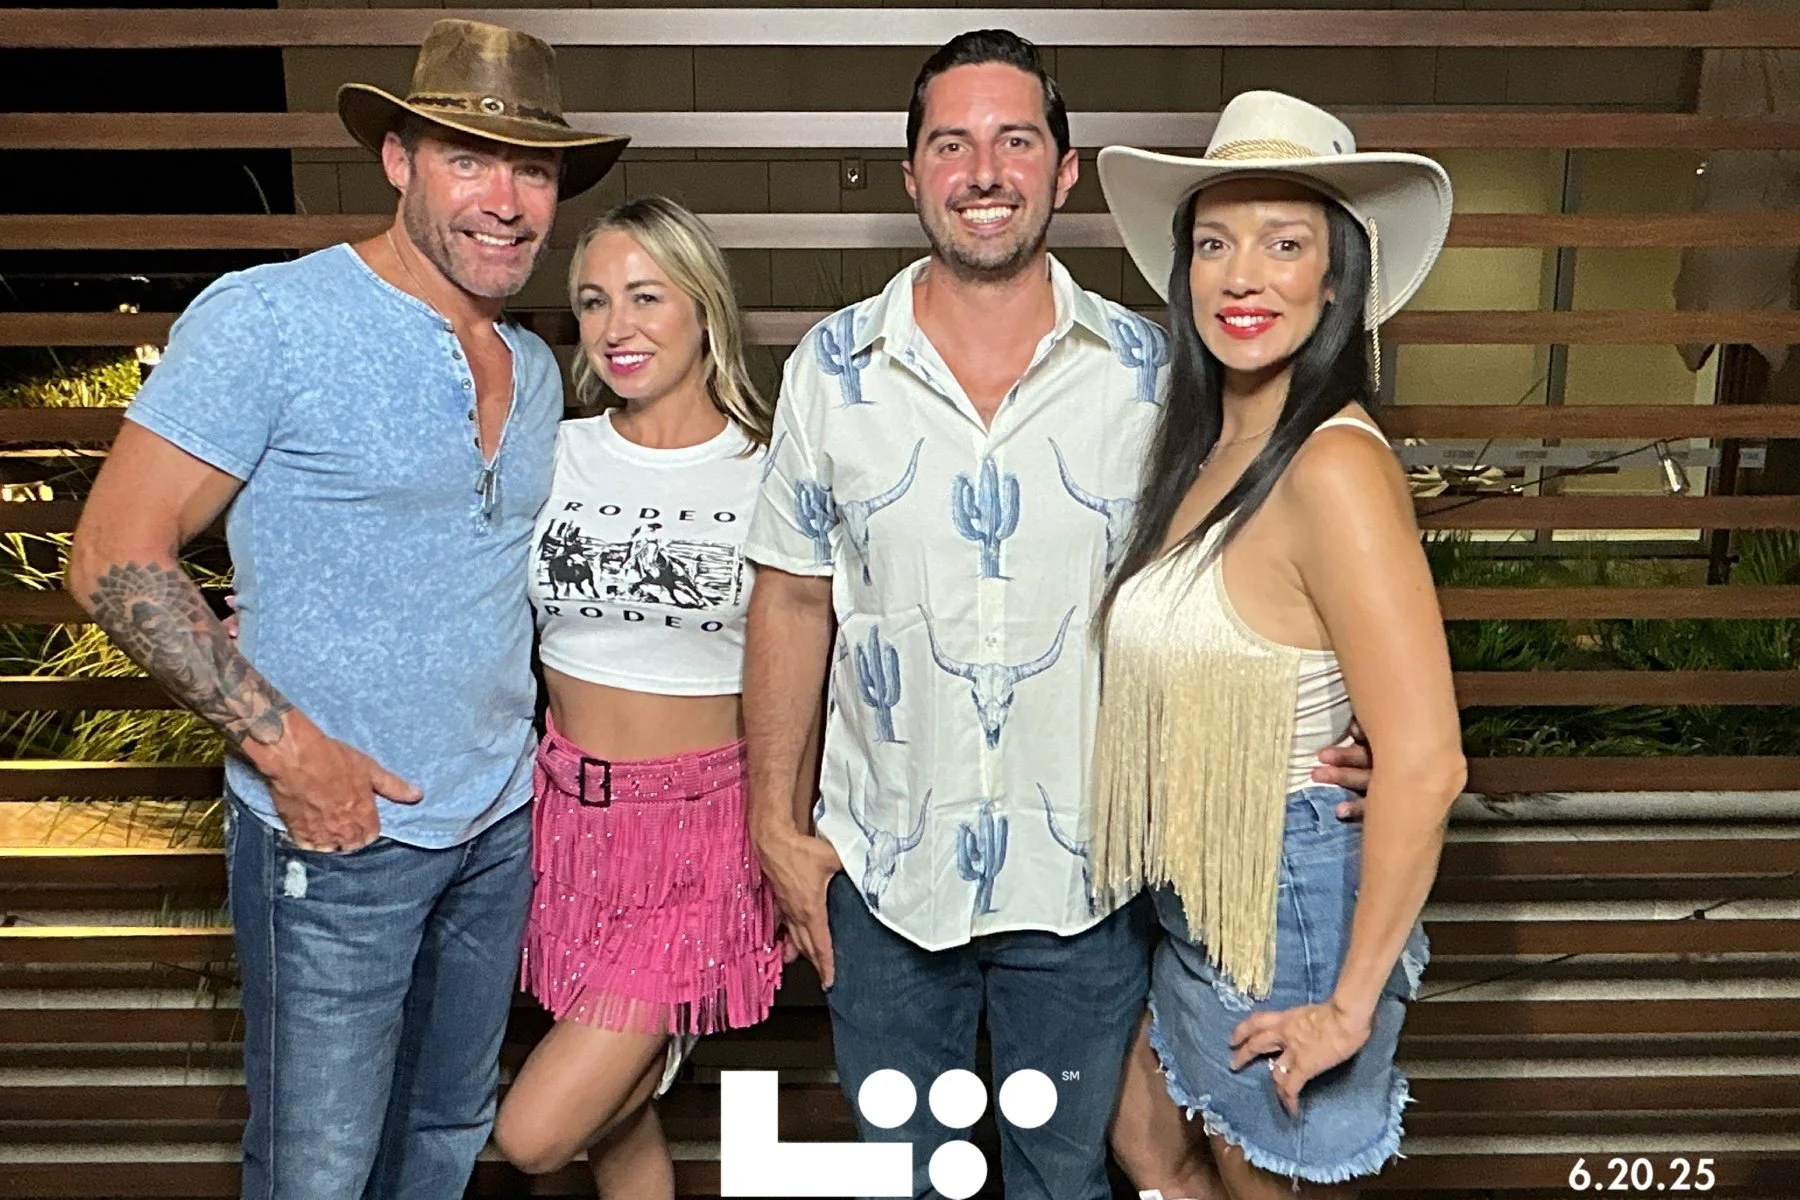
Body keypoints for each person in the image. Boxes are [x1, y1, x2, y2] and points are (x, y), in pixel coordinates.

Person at [741, 33, 1372, 1200]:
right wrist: (774, 829)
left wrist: (1354, 729)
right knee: (910, 1177)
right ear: (912, 174)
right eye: (952, 143)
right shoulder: (830, 370)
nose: (984, 169)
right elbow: (787, 598)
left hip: (1087, 878)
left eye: (1014, 140)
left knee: (1063, 1178)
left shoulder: (1156, 377)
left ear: (1065, 170)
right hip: (881, 875)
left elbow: (1256, 581)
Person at [64, 21, 626, 1200]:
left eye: (531, 170)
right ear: (399, 160)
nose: (508, 200)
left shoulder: (529, 369)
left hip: (495, 829)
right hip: (331, 836)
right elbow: (114, 552)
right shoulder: (272, 318)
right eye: (469, 158)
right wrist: (291, 752)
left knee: (441, 1146)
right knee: (317, 1173)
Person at [1089, 91, 1467, 1199]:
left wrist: (1349, 1003)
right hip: (1195, 892)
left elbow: (1429, 759)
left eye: (1284, 243)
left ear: (1338, 281)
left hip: (1289, 902)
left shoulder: (1335, 465)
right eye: (1214, 241)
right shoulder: (1203, 448)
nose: (1241, 274)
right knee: (1153, 1150)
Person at [487, 197, 784, 1198]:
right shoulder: (553, 453)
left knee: (535, 1133)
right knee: (618, 1134)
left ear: (703, 307)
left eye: (647, 296)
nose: (618, 327)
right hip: (563, 822)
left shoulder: (774, 469)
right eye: (595, 301)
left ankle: (667, 1037)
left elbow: (828, 666)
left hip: (703, 831)